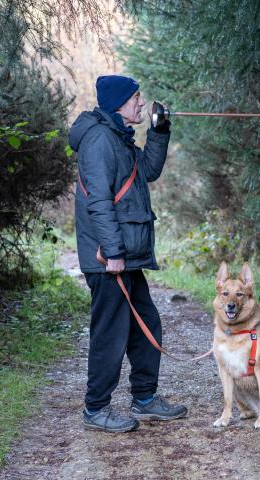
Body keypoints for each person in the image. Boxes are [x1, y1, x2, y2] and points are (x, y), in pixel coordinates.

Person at [68, 75, 187, 433]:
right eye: (137, 98)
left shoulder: (118, 137)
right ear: (120, 103)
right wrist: (115, 252)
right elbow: (98, 202)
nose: (141, 103)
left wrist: (159, 130)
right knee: (110, 333)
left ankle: (145, 398)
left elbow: (146, 170)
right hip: (109, 259)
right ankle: (96, 408)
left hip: (125, 257)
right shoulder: (100, 140)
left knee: (145, 324)